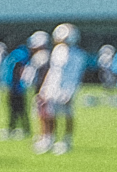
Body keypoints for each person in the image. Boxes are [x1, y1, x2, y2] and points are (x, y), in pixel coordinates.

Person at [35, 23, 90, 154]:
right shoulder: (57, 51)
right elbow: (53, 72)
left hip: (67, 87)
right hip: (54, 86)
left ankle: (66, 140)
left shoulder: (78, 55)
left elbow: (75, 75)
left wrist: (70, 91)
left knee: (67, 114)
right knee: (48, 113)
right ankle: (48, 138)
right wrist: (45, 88)